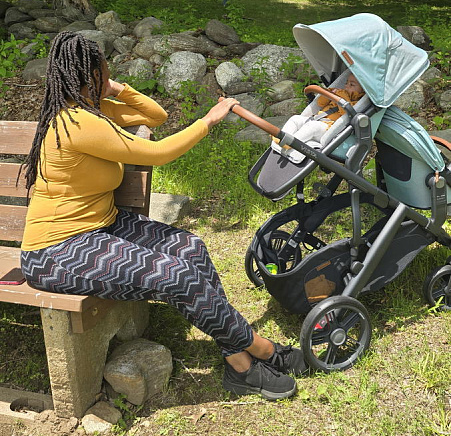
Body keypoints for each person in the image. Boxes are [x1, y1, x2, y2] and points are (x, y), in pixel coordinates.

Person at [20, 32, 306, 401]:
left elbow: (156, 116)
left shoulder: (93, 110)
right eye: (104, 69)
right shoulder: (77, 123)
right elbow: (159, 152)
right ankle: (261, 350)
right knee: (175, 276)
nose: (110, 74)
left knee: (190, 248)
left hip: (101, 226)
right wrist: (208, 121)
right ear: (90, 75)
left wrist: (116, 88)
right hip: (55, 251)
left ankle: (237, 362)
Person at [272, 73, 365, 163]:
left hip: (327, 129)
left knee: (313, 127)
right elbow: (320, 103)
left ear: (362, 91)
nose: (347, 86)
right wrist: (329, 93)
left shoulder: (355, 104)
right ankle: (282, 137)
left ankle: (291, 143)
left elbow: (345, 113)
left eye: (352, 85)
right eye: (346, 83)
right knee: (295, 119)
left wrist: (342, 99)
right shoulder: (339, 93)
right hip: (315, 119)